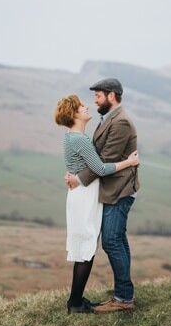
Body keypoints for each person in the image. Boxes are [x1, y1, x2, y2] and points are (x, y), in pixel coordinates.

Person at [54, 94, 138, 314]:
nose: (86, 106)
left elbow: (81, 166)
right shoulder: (79, 139)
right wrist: (128, 163)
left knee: (87, 246)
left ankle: (77, 300)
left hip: (82, 193)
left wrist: (76, 176)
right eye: (82, 106)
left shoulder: (72, 137)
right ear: (73, 114)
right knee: (86, 248)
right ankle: (75, 303)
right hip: (84, 197)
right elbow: (100, 169)